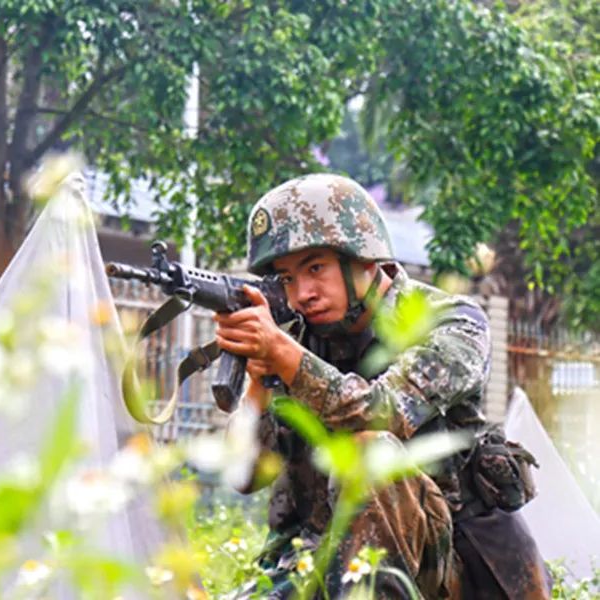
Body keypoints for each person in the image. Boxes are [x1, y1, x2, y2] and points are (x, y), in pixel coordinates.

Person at [214, 173, 550, 599]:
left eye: (315, 268)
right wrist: (260, 381)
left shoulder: (451, 322)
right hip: (329, 559)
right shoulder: (299, 340)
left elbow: (382, 411)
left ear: (364, 259)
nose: (302, 294)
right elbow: (243, 475)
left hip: (456, 569)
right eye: (286, 279)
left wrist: (286, 356)